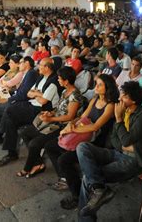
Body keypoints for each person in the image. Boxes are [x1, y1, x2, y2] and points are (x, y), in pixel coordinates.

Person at [76, 81, 142, 220]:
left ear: (133, 100)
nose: (119, 99)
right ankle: (100, 190)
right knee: (82, 147)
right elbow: (114, 140)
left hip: (134, 160)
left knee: (89, 178)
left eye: (123, 97)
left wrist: (118, 119)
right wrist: (125, 145)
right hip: (119, 153)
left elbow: (125, 140)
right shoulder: (124, 111)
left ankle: (87, 215)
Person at [44, 74, 118, 209]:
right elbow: (82, 116)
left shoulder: (110, 106)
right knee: (50, 146)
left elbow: (96, 127)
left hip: (93, 142)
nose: (96, 87)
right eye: (96, 83)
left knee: (63, 160)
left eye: (100, 84)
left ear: (108, 88)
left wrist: (74, 130)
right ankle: (65, 178)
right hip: (81, 134)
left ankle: (77, 196)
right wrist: (71, 124)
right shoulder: (95, 99)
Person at [16, 67, 83, 178]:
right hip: (54, 122)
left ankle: (28, 168)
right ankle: (38, 163)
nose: (58, 80)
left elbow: (70, 116)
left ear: (66, 81)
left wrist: (51, 119)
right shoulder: (65, 91)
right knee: (24, 132)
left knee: (35, 143)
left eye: (60, 79)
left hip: (62, 127)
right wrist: (50, 113)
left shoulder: (75, 95)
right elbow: (59, 109)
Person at [0, 57, 60, 166]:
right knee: (11, 116)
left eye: (41, 65)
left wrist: (36, 94)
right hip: (32, 104)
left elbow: (43, 102)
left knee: (10, 110)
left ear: (47, 68)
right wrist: (38, 94)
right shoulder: (41, 77)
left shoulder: (53, 81)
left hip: (40, 110)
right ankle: (11, 152)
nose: (38, 67)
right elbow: (29, 93)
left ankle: (6, 145)